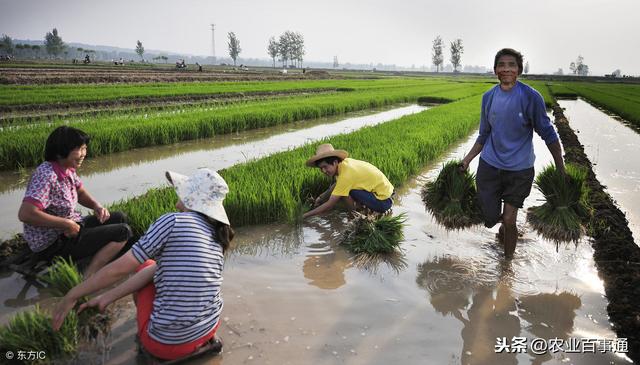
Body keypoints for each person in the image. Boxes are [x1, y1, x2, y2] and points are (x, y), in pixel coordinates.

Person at [52, 168, 233, 361]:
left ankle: (148, 332)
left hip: (164, 345)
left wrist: (73, 294)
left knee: (144, 264)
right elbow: (161, 270)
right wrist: (107, 297)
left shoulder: (172, 222)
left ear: (191, 197)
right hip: (208, 328)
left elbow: (119, 269)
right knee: (153, 266)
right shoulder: (217, 234)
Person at [460, 48, 565, 258]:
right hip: (489, 166)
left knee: (509, 219)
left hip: (519, 170)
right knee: (489, 218)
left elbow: (548, 133)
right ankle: (503, 228)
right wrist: (467, 160)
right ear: (495, 70)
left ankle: (507, 265)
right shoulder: (488, 98)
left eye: (511, 65)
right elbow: (484, 134)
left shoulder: (530, 97)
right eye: (502, 65)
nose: (506, 69)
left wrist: (560, 167)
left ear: (519, 70)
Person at [17, 126, 131, 276]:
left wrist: (96, 206)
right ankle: (89, 275)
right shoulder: (46, 176)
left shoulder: (67, 168)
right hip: (53, 243)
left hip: (70, 228)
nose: (84, 153)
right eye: (79, 149)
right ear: (59, 152)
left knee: (120, 217)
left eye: (84, 148)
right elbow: (26, 214)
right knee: (123, 231)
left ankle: (105, 258)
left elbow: (80, 191)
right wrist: (66, 223)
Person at [303, 144, 394, 219]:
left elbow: (329, 205)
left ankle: (353, 216)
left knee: (345, 192)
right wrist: (321, 198)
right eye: (321, 168)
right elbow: (337, 185)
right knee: (344, 189)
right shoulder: (345, 164)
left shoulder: (345, 176)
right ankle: (361, 209)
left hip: (383, 203)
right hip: (387, 194)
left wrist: (306, 215)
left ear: (334, 162)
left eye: (325, 167)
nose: (323, 171)